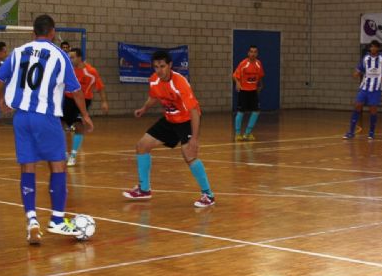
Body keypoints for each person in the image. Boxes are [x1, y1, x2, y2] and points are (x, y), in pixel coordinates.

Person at [0, 14, 94, 244]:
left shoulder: (18, 52)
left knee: (27, 166)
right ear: (52, 33)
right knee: (58, 165)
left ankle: (32, 220)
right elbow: (76, 91)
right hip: (46, 117)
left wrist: (2, 100)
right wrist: (85, 115)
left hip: (21, 118)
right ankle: (57, 220)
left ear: (33, 33)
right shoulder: (60, 56)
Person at [123, 50, 216, 208]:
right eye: (156, 67)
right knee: (142, 146)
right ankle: (144, 190)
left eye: (162, 66)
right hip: (170, 119)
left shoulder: (180, 83)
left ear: (170, 65)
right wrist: (144, 108)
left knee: (189, 155)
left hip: (187, 120)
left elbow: (194, 111)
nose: (159, 70)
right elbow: (154, 96)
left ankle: (208, 195)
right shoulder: (154, 80)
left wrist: (194, 139)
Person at [62, 47, 108, 166]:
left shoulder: (91, 72)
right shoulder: (69, 70)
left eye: (72, 57)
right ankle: (65, 152)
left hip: (83, 100)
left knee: (78, 126)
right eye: (69, 57)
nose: (70, 59)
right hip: (68, 99)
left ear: (79, 58)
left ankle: (73, 154)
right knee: (62, 125)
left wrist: (104, 101)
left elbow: (100, 87)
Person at [343, 40, 382, 140]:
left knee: (373, 110)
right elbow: (359, 69)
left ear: (378, 48)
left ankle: (371, 133)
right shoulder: (366, 58)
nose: (373, 48)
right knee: (357, 105)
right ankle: (351, 132)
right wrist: (356, 73)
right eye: (371, 47)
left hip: (376, 88)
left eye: (375, 47)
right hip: (364, 87)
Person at [233, 45, 265, 141]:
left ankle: (248, 133)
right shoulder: (243, 64)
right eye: (251, 52)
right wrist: (237, 83)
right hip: (244, 91)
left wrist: (261, 85)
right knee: (241, 111)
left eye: (255, 52)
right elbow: (235, 75)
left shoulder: (258, 64)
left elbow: (260, 76)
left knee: (256, 111)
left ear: (257, 54)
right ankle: (238, 133)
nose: (253, 54)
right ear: (248, 53)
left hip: (253, 91)